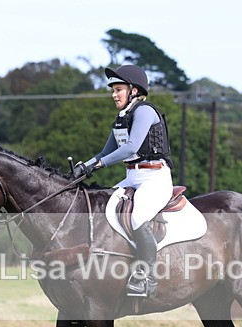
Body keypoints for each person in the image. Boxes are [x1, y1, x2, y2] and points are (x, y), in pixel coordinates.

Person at [73, 65, 174, 298]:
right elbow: (103, 153)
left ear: (134, 90)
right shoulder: (122, 118)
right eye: (113, 90)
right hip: (132, 177)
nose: (114, 94)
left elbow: (131, 147)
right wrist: (84, 167)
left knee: (138, 217)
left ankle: (147, 277)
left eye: (118, 89)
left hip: (155, 178)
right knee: (102, 209)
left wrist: (97, 165)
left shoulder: (145, 111)